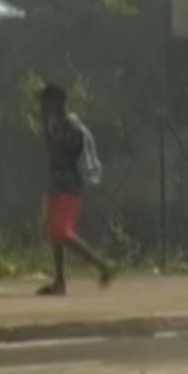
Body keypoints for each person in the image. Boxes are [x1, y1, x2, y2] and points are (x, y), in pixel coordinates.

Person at [36, 83, 113, 293]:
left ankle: (102, 265)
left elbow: (58, 152)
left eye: (46, 102)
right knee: (56, 235)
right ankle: (60, 281)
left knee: (62, 232)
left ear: (57, 102)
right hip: (57, 185)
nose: (43, 106)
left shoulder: (71, 128)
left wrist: (46, 125)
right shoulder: (59, 125)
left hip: (68, 188)